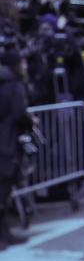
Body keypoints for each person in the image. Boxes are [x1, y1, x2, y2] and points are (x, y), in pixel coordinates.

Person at [0, 50, 33, 250]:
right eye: (23, 63)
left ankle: (5, 234)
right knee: (3, 191)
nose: (26, 67)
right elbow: (19, 115)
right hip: (7, 143)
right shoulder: (13, 85)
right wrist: (32, 122)